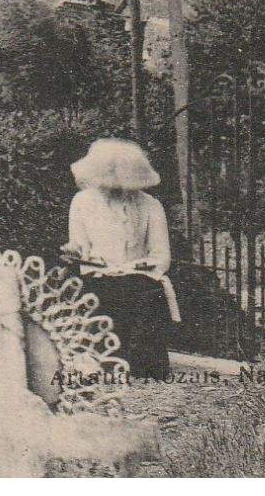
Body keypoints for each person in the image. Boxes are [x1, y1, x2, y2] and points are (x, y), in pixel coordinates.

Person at [61, 137, 179, 381]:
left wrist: (134, 268)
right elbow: (80, 246)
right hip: (98, 275)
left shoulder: (151, 206)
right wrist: (74, 252)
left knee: (144, 293)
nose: (113, 185)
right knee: (94, 294)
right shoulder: (82, 203)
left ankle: (141, 368)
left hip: (138, 276)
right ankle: (95, 364)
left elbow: (160, 255)